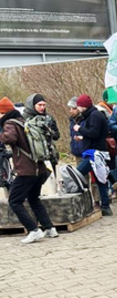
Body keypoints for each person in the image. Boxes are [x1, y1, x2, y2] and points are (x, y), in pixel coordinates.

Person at [0, 96, 58, 242]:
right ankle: (50, 228)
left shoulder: (10, 123)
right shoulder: (24, 121)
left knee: (14, 201)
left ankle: (33, 229)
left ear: (2, 113)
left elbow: (10, 138)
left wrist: (2, 136)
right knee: (33, 198)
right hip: (40, 168)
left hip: (26, 170)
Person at [75, 95, 112, 216]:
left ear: (83, 106)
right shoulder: (91, 115)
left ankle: (81, 204)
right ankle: (105, 206)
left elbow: (94, 133)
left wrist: (80, 129)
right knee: (100, 179)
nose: (77, 108)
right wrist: (83, 137)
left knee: (76, 174)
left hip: (95, 153)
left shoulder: (95, 115)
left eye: (78, 106)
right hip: (94, 151)